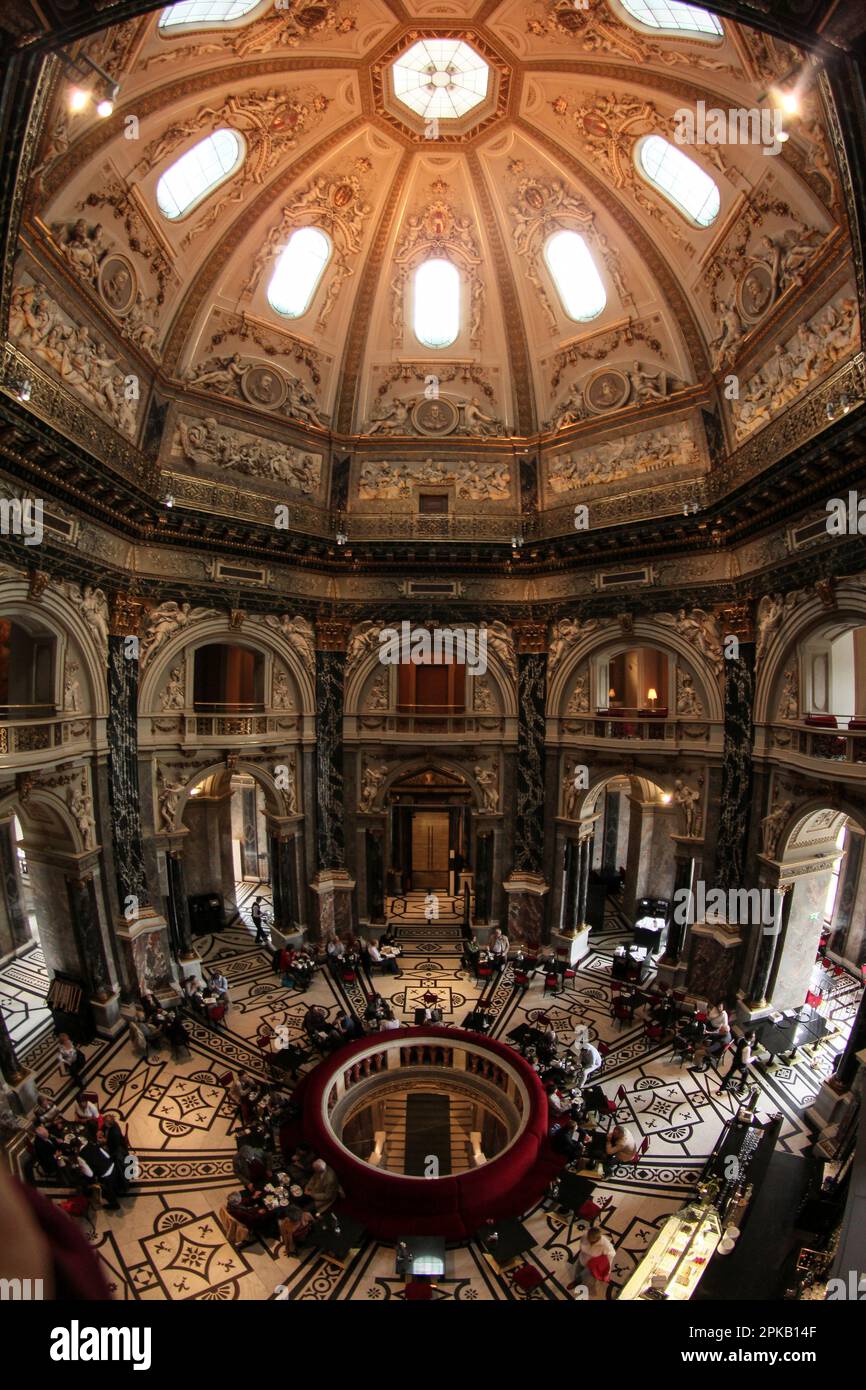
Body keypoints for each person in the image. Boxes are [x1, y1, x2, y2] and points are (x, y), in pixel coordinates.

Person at [571, 1226, 616, 1299]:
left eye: (592, 1240)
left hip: (593, 1265)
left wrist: (607, 1272)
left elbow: (611, 1256)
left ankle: (588, 1286)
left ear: (598, 1239)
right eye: (588, 1238)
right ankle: (576, 1281)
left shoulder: (605, 1245)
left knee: (591, 1277)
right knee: (578, 1271)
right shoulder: (585, 1235)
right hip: (582, 1258)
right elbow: (581, 1245)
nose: (589, 1240)